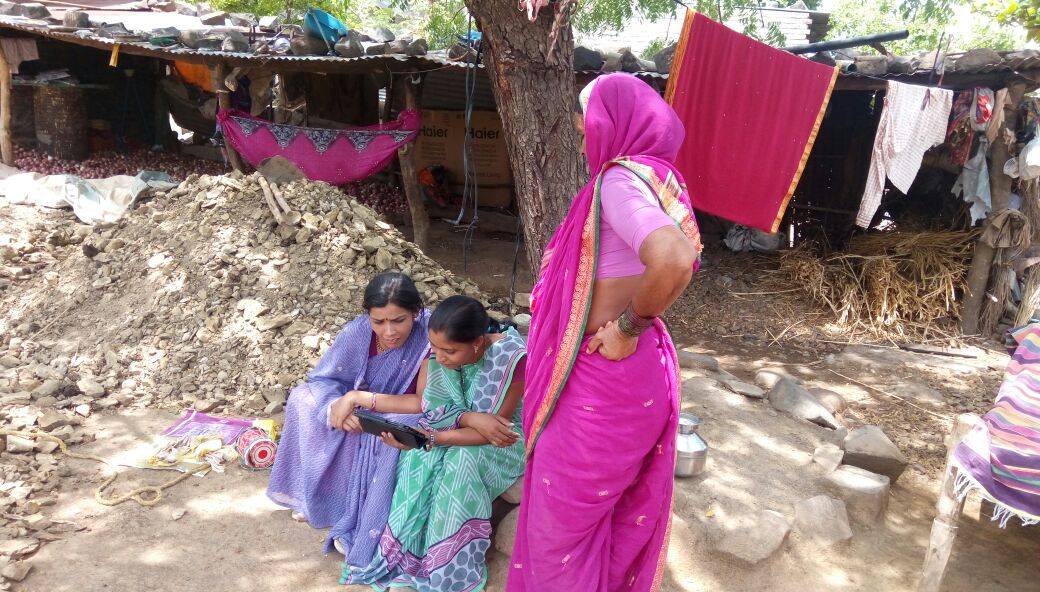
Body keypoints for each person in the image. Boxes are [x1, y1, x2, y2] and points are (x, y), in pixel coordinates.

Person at [507, 74, 702, 592]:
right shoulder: (660, 180)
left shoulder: (619, 180)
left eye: (586, 117)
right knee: (608, 522)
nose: (580, 128)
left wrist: (626, 327)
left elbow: (674, 261)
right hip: (633, 372)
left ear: (612, 122)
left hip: (604, 371)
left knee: (559, 533)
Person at [341, 295, 527, 592]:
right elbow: (434, 409)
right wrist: (468, 418)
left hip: (504, 442)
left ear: (477, 343)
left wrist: (432, 438)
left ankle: (449, 572)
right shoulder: (439, 350)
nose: (438, 357)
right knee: (419, 458)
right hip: (456, 429)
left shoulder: (513, 358)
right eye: (435, 348)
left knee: (460, 462)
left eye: (449, 351)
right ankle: (410, 562)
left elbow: (494, 430)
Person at [266, 272, 431, 566]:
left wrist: (357, 399)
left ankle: (354, 511)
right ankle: (310, 494)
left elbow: (421, 401)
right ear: (367, 316)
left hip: (396, 408)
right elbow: (323, 378)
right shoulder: (357, 332)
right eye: (379, 322)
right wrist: (334, 407)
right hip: (353, 405)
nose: (389, 331)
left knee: (399, 424)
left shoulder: (428, 335)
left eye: (399, 320)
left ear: (416, 314)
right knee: (302, 398)